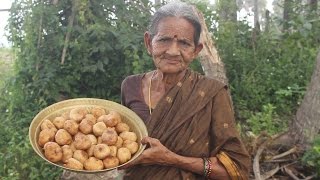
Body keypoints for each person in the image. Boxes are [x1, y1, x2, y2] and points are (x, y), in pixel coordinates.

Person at [120, 1, 250, 180]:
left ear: (196, 50)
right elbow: (122, 143)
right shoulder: (130, 86)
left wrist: (172, 159)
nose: (173, 51)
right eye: (164, 39)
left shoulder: (212, 93)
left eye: (184, 43)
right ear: (149, 42)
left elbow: (235, 170)